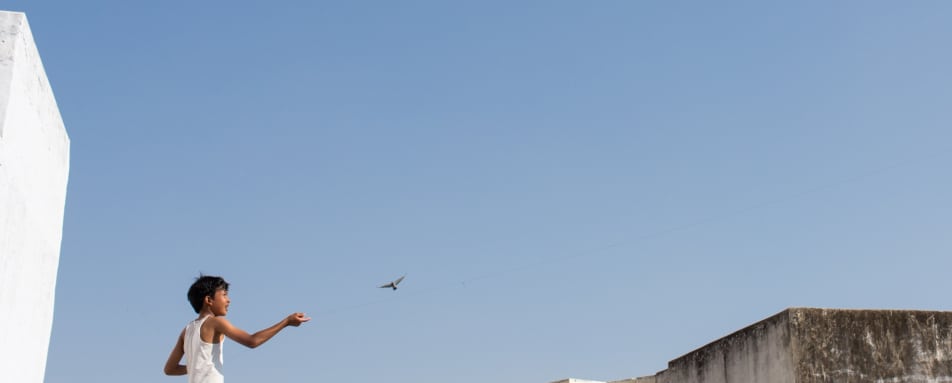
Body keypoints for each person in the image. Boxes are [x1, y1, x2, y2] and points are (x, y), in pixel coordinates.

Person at [164, 275, 310, 382]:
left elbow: (169, 369)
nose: (229, 300)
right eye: (224, 295)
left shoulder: (187, 330)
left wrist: (196, 366)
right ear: (209, 300)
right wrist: (286, 322)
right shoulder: (216, 323)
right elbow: (252, 341)